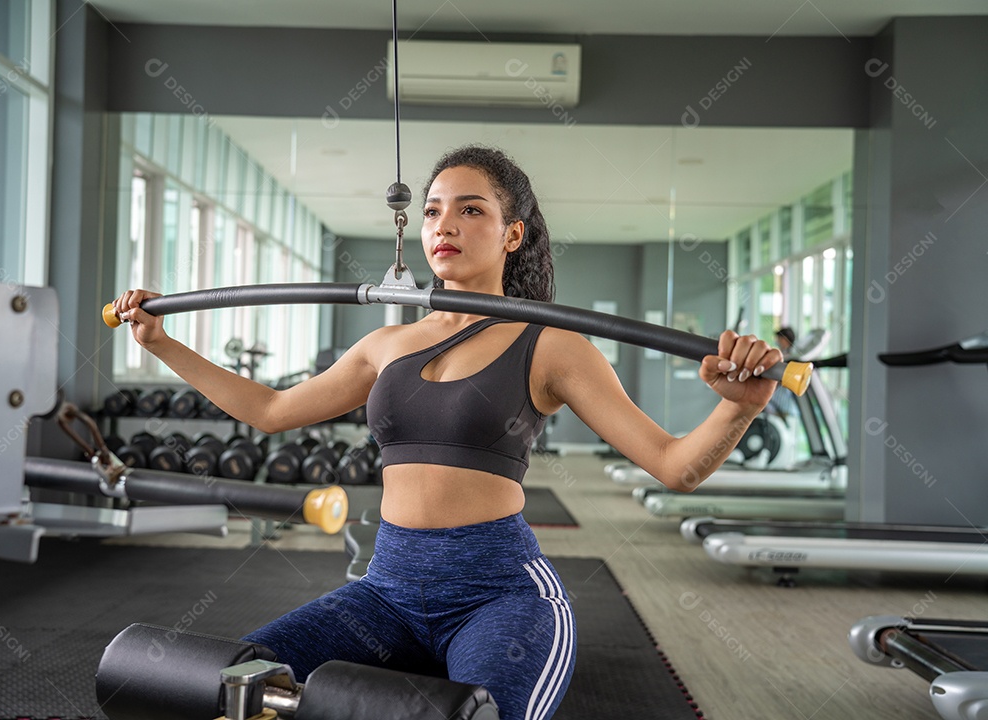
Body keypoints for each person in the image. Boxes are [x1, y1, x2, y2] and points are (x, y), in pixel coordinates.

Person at [112, 145, 781, 720]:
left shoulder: (552, 344)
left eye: (471, 209)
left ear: (512, 234)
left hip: (500, 594)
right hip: (386, 590)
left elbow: (672, 464)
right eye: (433, 209)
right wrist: (161, 342)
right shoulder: (388, 343)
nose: (444, 224)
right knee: (233, 688)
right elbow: (269, 410)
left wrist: (739, 408)